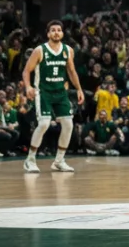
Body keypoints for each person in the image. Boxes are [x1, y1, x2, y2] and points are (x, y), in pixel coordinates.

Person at [21, 20, 85, 173]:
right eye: (53, 30)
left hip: (60, 93)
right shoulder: (40, 50)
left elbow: (71, 71)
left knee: (68, 124)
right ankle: (30, 159)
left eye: (59, 30)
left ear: (62, 33)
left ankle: (59, 161)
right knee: (44, 124)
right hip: (44, 92)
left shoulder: (68, 50)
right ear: (48, 33)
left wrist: (79, 89)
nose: (56, 32)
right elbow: (26, 71)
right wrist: (28, 87)